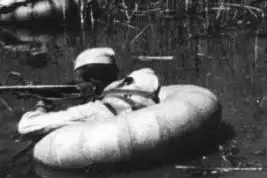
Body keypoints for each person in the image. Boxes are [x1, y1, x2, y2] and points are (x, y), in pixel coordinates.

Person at [17, 47, 160, 137]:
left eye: (79, 80)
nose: (78, 84)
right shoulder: (142, 78)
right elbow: (148, 72)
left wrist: (41, 106)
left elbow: (25, 126)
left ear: (88, 79)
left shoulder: (92, 111)